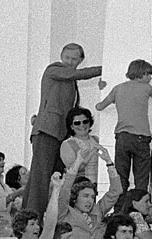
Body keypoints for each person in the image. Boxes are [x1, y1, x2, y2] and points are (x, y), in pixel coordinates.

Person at [24, 43, 98, 215]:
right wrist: (106, 68)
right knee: (41, 178)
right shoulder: (54, 69)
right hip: (47, 131)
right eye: (67, 58)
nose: (70, 62)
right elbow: (77, 74)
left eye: (74, 59)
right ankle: (32, 217)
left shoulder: (69, 80)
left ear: (80, 60)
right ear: (61, 56)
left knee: (43, 177)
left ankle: (30, 215)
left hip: (58, 134)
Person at [92, 58, 152, 191]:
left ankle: (120, 205)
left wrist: (97, 102)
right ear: (141, 74)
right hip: (141, 137)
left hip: (122, 137)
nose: (150, 77)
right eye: (148, 74)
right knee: (141, 176)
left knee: (121, 175)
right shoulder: (146, 88)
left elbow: (101, 106)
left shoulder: (118, 88)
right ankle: (139, 204)